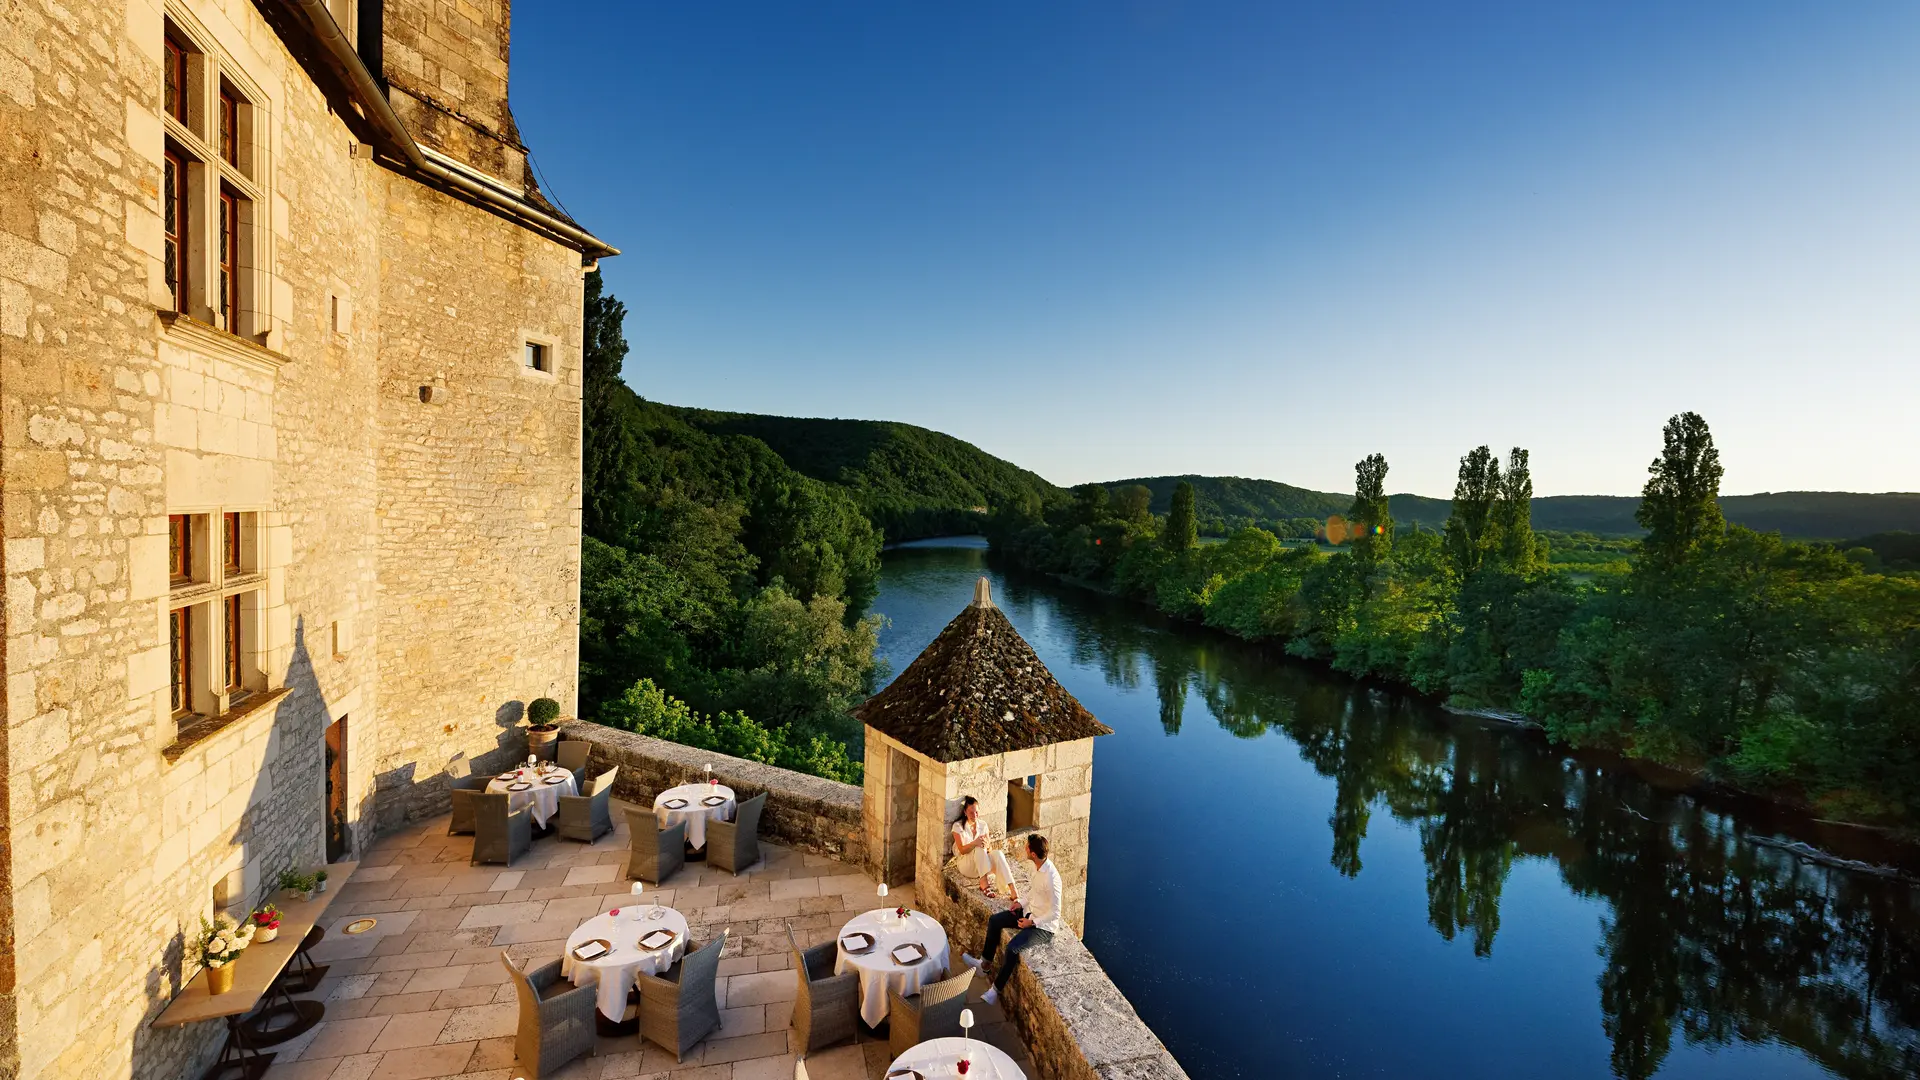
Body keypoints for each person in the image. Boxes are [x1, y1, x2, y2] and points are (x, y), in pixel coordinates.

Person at [961, 833, 1062, 1005]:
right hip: (1029, 912)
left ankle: (995, 991)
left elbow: (1055, 912)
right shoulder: (1038, 867)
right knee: (995, 920)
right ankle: (984, 965)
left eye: (1027, 846)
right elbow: (1033, 892)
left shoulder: (1052, 878)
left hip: (1043, 927)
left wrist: (1032, 923)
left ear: (1032, 854)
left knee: (1012, 948)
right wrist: (1020, 903)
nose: (1025, 848)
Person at [951, 796, 996, 896]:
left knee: (999, 854)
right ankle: (984, 884)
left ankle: (1012, 890)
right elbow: (962, 850)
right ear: (965, 812)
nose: (975, 815)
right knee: (978, 846)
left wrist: (987, 845)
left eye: (976, 812)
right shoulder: (958, 827)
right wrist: (975, 843)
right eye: (971, 812)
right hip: (967, 866)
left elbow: (989, 849)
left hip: (982, 866)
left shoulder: (983, 825)